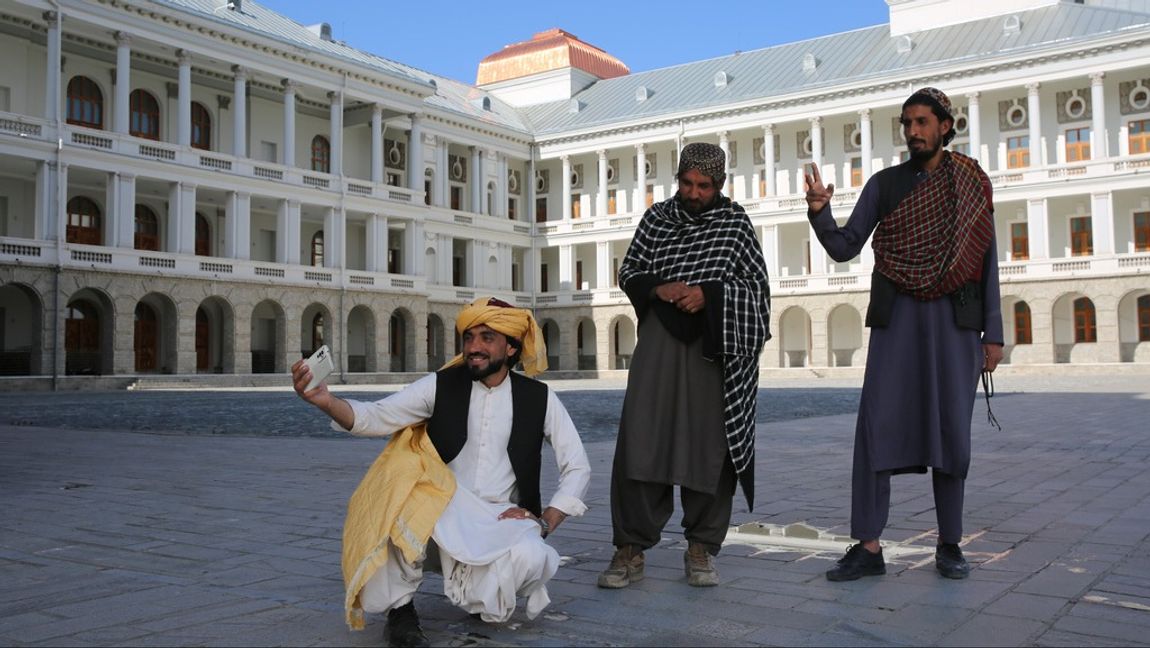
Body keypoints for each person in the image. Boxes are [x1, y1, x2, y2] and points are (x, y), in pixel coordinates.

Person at [292, 297, 591, 647]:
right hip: (439, 506)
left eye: (486, 338)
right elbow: (376, 416)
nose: (473, 347)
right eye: (469, 337)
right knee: (394, 504)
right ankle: (400, 612)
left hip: (497, 516)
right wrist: (326, 401)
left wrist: (547, 520)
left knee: (533, 557)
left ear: (510, 348)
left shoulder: (539, 398)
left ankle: (479, 595)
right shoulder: (441, 384)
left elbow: (577, 466)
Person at [803, 87, 1004, 582]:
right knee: (876, 429)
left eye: (922, 122)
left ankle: (949, 544)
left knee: (950, 433)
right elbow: (847, 246)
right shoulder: (885, 184)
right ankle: (868, 545)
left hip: (955, 324)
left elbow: (986, 264)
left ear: (945, 127)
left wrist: (992, 333)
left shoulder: (970, 183)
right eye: (907, 123)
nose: (913, 131)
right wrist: (819, 212)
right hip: (897, 323)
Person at [599, 142, 771, 589]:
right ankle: (630, 549)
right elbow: (631, 270)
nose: (694, 193)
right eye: (687, 183)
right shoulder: (657, 219)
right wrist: (660, 288)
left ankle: (701, 550)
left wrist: (710, 295)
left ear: (720, 186)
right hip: (659, 343)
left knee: (709, 448)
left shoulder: (735, 225)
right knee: (642, 440)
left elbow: (757, 290)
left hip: (714, 352)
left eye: (704, 186)